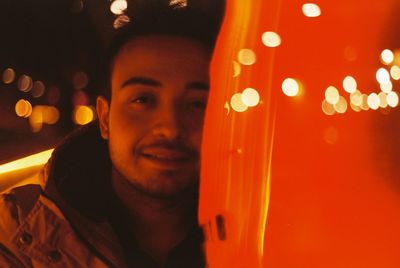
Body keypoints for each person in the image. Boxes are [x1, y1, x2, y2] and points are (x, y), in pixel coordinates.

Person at [0, 8, 221, 268]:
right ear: (105, 119)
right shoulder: (19, 233)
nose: (170, 128)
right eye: (143, 100)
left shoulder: (263, 226)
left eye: (197, 104)